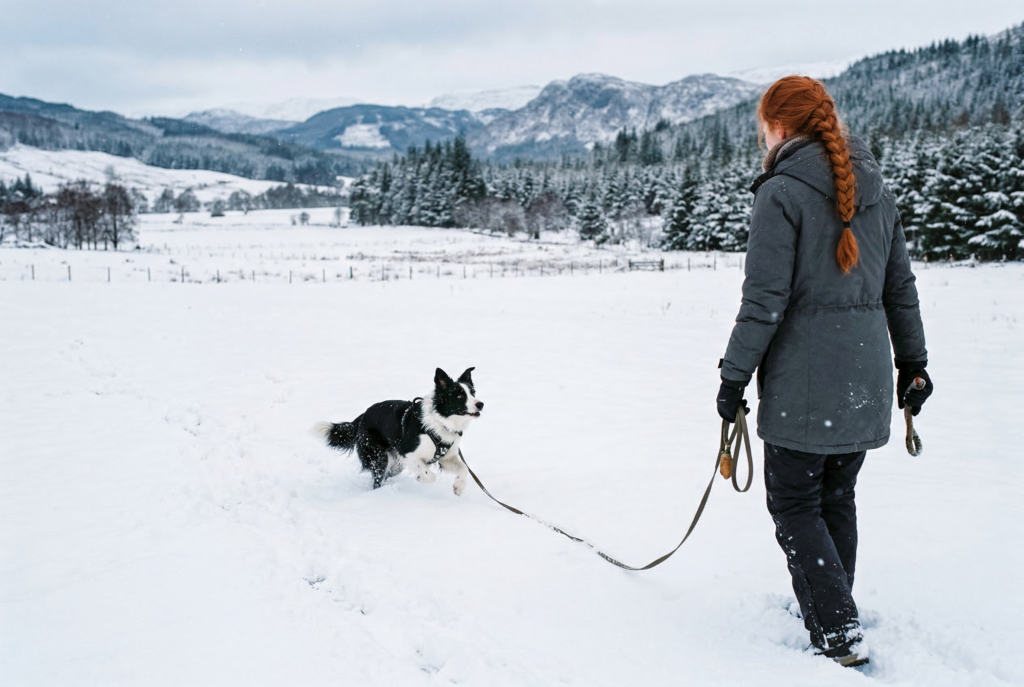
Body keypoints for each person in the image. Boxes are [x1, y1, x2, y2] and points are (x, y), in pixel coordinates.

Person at [715, 76, 934, 668]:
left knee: (793, 503)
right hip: (863, 381)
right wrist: (912, 362)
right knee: (836, 495)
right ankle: (834, 604)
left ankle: (837, 631)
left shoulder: (780, 193)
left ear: (780, 127)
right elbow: (901, 290)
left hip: (802, 388)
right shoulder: (876, 187)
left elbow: (763, 301)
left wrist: (732, 378)